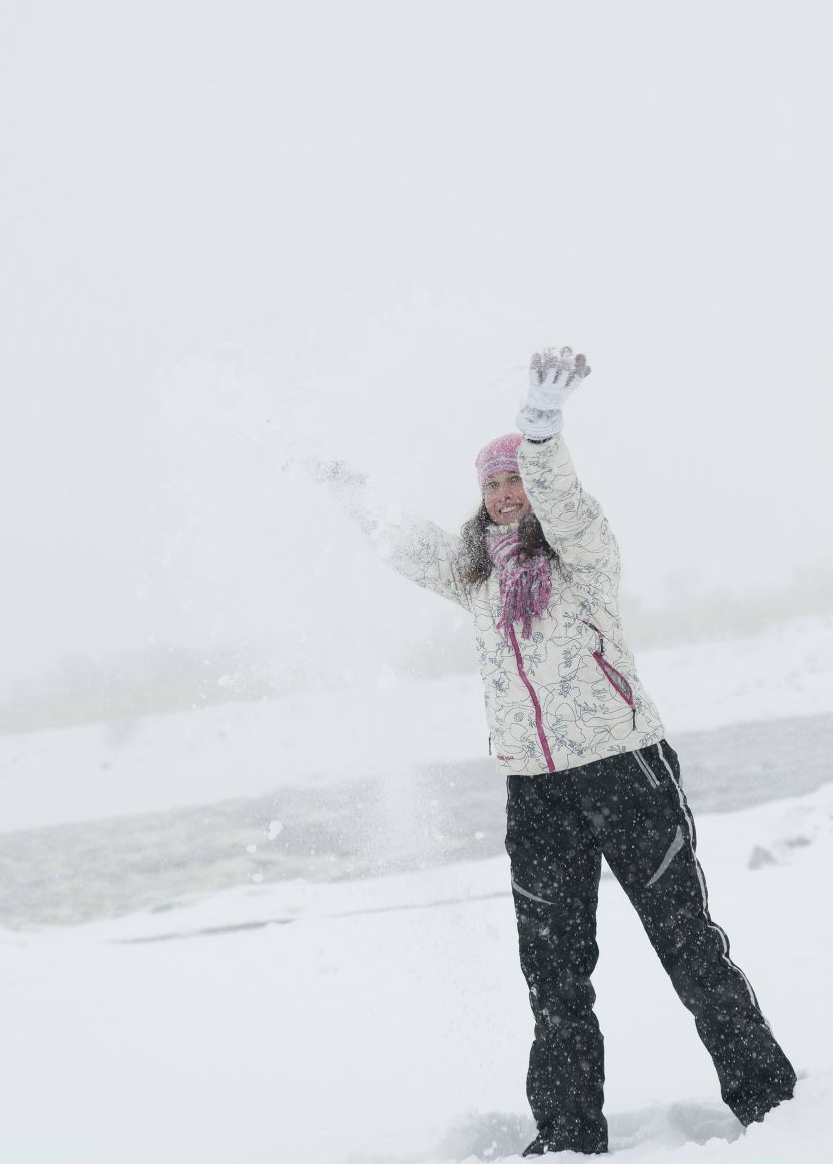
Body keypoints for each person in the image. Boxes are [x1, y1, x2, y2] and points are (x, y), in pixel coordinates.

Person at [317, 345, 795, 1157]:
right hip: (535, 788)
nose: (506, 495)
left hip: (625, 769)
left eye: (516, 481)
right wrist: (350, 491)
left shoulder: (583, 554)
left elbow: (566, 503)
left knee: (689, 948)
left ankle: (775, 1109)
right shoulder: (476, 576)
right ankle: (570, 1135)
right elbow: (407, 545)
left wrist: (539, 434)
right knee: (553, 975)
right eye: (494, 484)